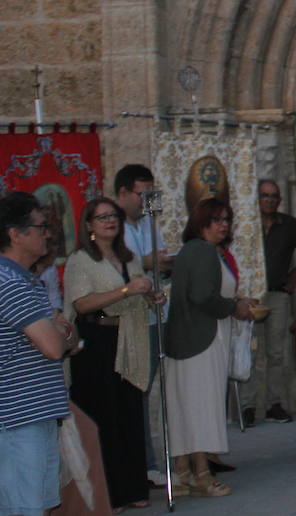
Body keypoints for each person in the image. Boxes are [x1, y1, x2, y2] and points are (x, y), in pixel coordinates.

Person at [64, 196, 159, 512]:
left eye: (113, 216)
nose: (110, 221)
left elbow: (137, 293)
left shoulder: (128, 257)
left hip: (128, 337)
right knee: (103, 415)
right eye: (102, 217)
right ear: (89, 225)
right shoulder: (81, 260)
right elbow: (81, 303)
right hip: (97, 340)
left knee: (129, 411)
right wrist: (126, 290)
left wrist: (150, 297)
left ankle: (133, 487)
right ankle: (110, 494)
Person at [164, 197, 254, 497]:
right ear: (201, 222)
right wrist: (234, 307)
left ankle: (182, 474)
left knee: (184, 407)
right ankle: (202, 475)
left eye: (226, 219)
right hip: (202, 339)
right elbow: (203, 296)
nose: (223, 225)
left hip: (188, 339)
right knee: (202, 406)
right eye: (216, 220)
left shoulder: (194, 250)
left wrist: (236, 303)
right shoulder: (202, 251)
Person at [0, 191, 81, 516]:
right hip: (17, 419)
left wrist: (59, 331)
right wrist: (58, 332)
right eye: (40, 227)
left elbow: (69, 338)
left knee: (40, 507)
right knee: (25, 509)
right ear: (15, 234)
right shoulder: (9, 282)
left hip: (37, 413)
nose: (47, 234)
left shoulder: (28, 281)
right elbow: (53, 346)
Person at [113, 162, 168, 486]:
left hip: (153, 314)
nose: (147, 201)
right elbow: (128, 266)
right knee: (135, 390)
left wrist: (159, 261)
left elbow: (158, 256)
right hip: (126, 317)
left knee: (146, 390)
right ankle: (143, 463)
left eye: (151, 194)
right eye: (142, 194)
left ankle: (148, 460)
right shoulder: (114, 225)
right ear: (123, 192)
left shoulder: (150, 222)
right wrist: (150, 262)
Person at [244, 179, 296, 427]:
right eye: (265, 195)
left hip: (277, 293)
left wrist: (295, 275)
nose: (269, 200)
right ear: (256, 198)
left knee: (276, 351)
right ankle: (248, 406)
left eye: (274, 196)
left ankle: (274, 403)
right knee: (250, 351)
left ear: (280, 200)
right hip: (250, 294)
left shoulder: (289, 225)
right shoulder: (246, 223)